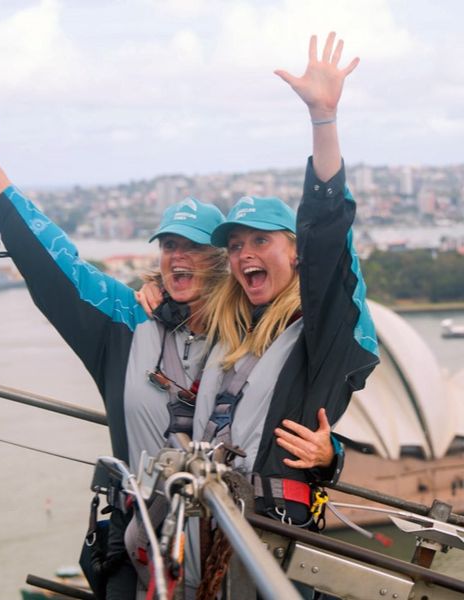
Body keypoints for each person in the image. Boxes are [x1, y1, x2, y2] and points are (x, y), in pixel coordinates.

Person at [0, 93, 228, 597]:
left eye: (195, 247)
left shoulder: (251, 333)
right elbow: (57, 264)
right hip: (140, 534)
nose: (178, 257)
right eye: (169, 245)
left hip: (227, 538)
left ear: (222, 258)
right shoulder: (126, 320)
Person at [139, 32, 380, 597]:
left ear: (293, 251)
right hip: (203, 525)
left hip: (271, 536)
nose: (246, 253)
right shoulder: (228, 326)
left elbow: (327, 238)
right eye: (236, 244)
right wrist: (155, 287)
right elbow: (185, 280)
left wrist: (324, 120)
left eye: (261, 241)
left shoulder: (319, 332)